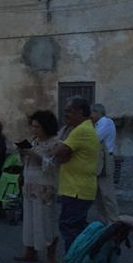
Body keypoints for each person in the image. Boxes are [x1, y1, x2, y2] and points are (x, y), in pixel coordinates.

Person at [15, 111, 61, 263]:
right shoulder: (35, 141)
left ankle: (50, 256)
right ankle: (30, 250)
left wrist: (35, 155)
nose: (34, 130)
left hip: (44, 186)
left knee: (45, 221)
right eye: (33, 126)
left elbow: (53, 165)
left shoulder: (55, 143)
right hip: (30, 184)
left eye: (37, 127)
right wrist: (23, 154)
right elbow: (26, 162)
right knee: (29, 219)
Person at [53, 97, 101, 251]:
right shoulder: (83, 128)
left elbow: (58, 152)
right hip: (77, 189)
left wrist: (59, 144)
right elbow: (63, 155)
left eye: (69, 111)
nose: (65, 114)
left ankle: (73, 261)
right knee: (76, 228)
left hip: (76, 190)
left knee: (70, 229)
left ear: (80, 112)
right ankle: (80, 259)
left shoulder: (81, 130)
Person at [91, 103, 118, 224]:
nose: (90, 116)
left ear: (97, 112)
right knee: (98, 196)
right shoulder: (96, 124)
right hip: (98, 160)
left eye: (91, 113)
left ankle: (113, 222)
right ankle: (105, 222)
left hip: (105, 160)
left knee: (107, 194)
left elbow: (94, 139)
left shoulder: (106, 122)